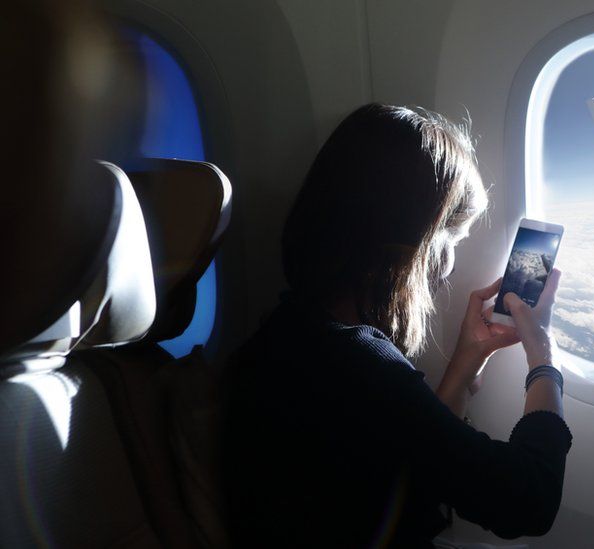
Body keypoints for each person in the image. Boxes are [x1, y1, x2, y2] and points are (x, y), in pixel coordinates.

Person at [222, 104, 572, 548]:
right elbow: (528, 500)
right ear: (415, 242)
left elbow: (420, 458)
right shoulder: (358, 365)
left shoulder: (295, 332)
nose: (446, 269)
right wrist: (544, 357)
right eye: (450, 241)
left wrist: (467, 356)